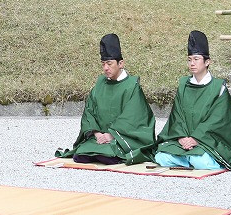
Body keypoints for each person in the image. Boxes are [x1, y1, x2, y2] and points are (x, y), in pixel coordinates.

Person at [153, 30, 231, 172]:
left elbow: (217, 119)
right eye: (189, 59)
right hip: (183, 140)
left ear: (207, 62)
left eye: (196, 59)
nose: (192, 63)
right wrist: (181, 137)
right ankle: (189, 158)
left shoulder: (218, 87)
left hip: (208, 141)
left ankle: (191, 159)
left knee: (202, 163)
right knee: (161, 157)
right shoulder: (183, 85)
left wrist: (196, 138)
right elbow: (177, 116)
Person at [55, 33, 156, 165]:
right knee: (81, 155)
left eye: (109, 63)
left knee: (108, 156)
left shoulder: (132, 86)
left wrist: (111, 135)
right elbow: (89, 112)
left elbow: (133, 118)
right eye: (103, 64)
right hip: (99, 137)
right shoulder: (100, 84)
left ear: (121, 63)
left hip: (120, 138)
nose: (105, 68)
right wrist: (97, 134)